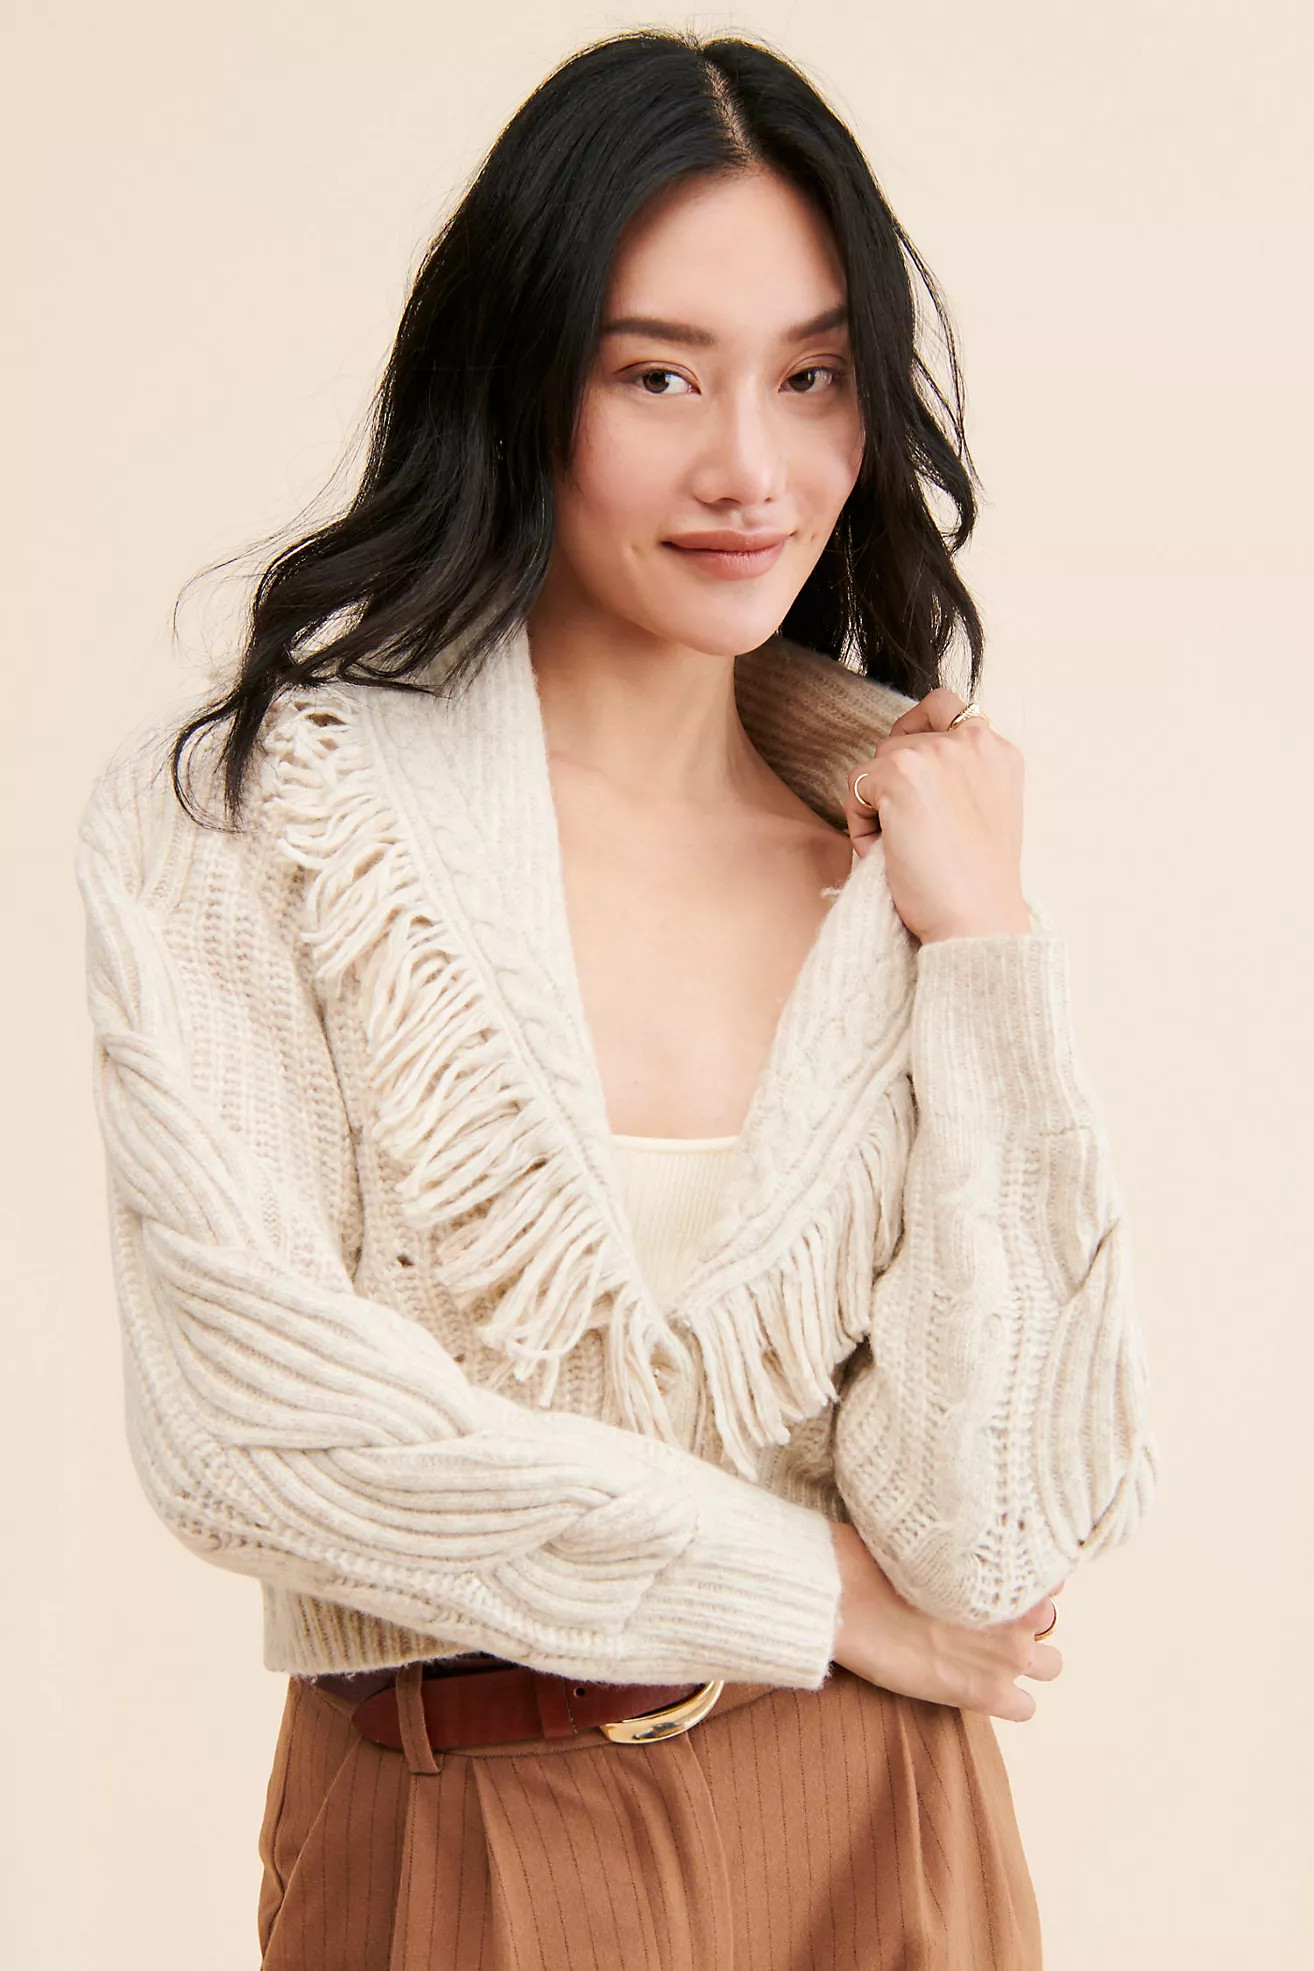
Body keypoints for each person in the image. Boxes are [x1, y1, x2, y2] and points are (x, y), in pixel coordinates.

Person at [75, 28, 1156, 1971]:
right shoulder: (260, 823)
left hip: (884, 1834)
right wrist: (804, 1588)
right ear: (517, 379)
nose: (751, 466)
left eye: (813, 376)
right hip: (458, 1824)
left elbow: (994, 1538)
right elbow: (252, 1437)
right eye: (658, 374)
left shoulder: (904, 863)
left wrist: (989, 948)